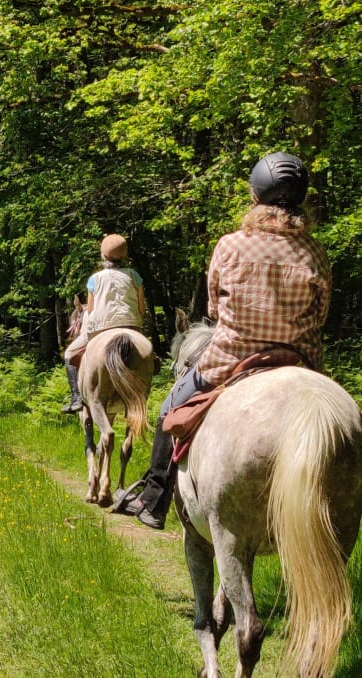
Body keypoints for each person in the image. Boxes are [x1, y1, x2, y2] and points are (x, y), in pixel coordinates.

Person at [120, 152, 332, 529]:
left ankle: (154, 500)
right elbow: (319, 316)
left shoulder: (231, 244)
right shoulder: (315, 251)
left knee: (171, 409)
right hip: (299, 360)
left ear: (255, 197)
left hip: (229, 359)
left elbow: (214, 310)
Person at [61, 234, 146, 413]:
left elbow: (90, 309)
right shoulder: (135, 276)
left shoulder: (95, 279)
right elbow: (141, 308)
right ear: (124, 256)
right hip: (132, 327)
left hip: (101, 329)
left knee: (69, 354)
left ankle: (76, 397)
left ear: (104, 256)